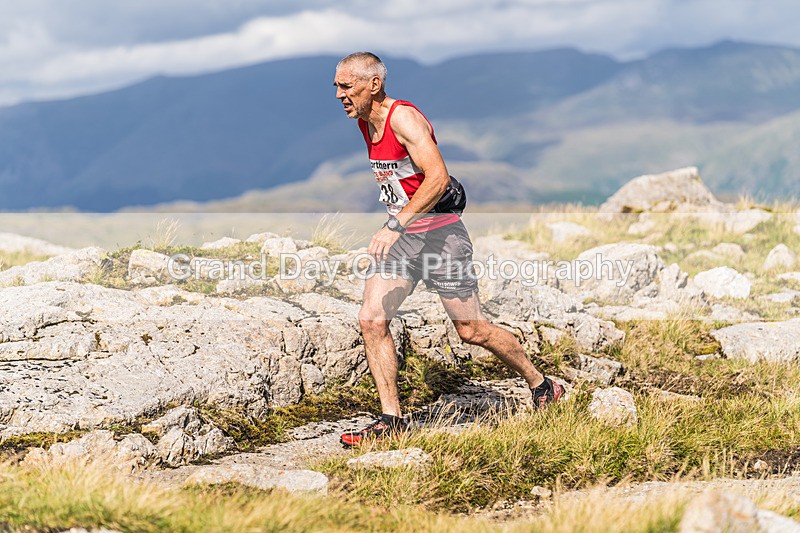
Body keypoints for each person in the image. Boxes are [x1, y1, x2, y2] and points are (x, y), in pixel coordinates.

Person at [333, 52, 562, 447]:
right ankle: (392, 421)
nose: (338, 94)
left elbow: (437, 178)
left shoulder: (403, 118)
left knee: (471, 330)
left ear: (374, 85)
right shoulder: (364, 121)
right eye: (336, 86)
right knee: (372, 319)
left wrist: (395, 223)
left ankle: (543, 385)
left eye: (346, 85)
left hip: (441, 238)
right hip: (406, 241)